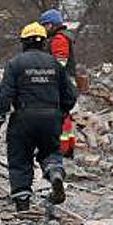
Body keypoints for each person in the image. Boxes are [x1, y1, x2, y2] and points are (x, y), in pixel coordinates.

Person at [0, 22, 77, 211]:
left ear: (24, 42)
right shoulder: (55, 64)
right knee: (50, 153)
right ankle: (54, 172)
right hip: (51, 117)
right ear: (43, 42)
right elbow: (71, 95)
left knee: (20, 159)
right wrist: (61, 113)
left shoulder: (15, 63)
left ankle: (23, 202)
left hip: (23, 117)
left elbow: (5, 96)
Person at [39, 8, 77, 157]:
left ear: (52, 25)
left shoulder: (59, 39)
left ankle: (61, 148)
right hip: (65, 81)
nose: (44, 29)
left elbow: (59, 64)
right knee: (66, 116)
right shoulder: (63, 37)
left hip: (61, 83)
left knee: (60, 115)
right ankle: (68, 147)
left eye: (45, 25)